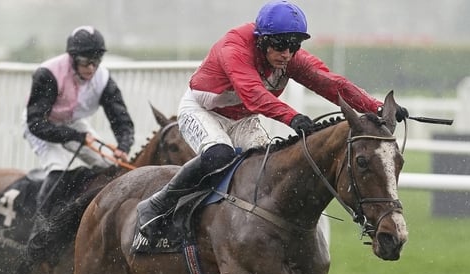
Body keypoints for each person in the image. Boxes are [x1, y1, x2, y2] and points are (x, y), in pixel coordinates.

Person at [136, 0, 409, 237]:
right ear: (261, 39)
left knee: (267, 170)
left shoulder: (288, 57)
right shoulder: (234, 47)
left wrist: (375, 107)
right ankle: (157, 206)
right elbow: (253, 94)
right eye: (280, 46)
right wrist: (292, 118)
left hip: (241, 119)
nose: (287, 54)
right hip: (202, 111)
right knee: (219, 155)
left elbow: (331, 84)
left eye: (294, 46)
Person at [24, 25, 134, 218]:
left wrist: (124, 146)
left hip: (72, 123)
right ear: (72, 58)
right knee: (58, 167)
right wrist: (77, 136)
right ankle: (38, 231)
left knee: (107, 166)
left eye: (96, 61)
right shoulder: (48, 73)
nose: (91, 68)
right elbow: (36, 124)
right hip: (41, 124)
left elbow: (120, 118)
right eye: (85, 62)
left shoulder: (103, 79)